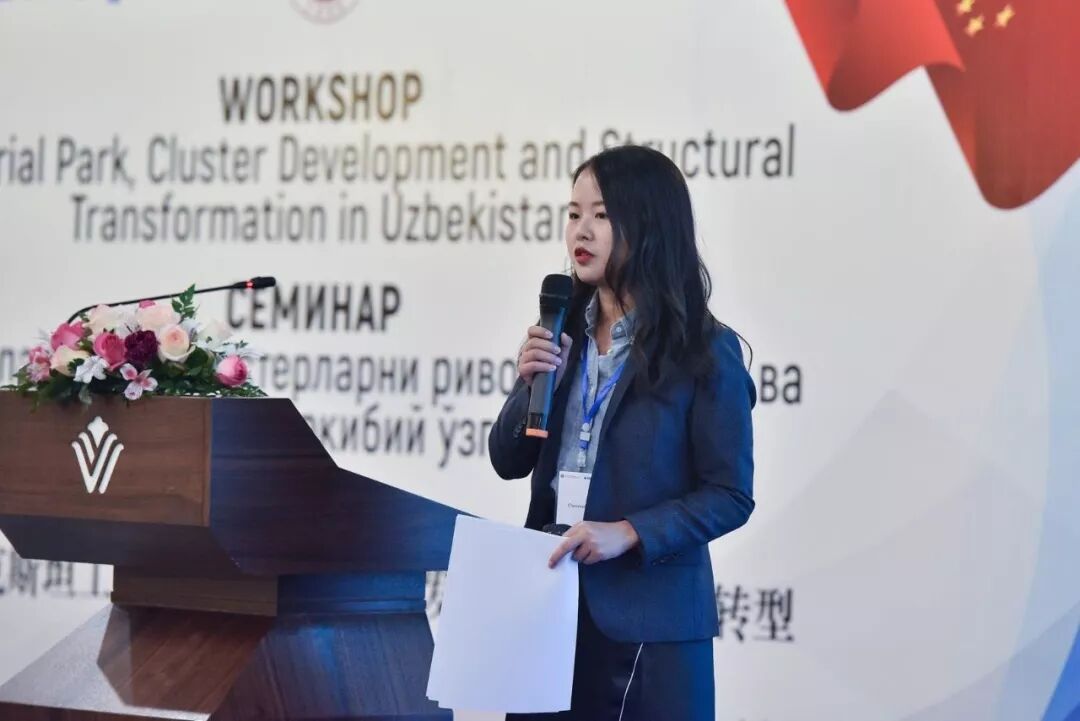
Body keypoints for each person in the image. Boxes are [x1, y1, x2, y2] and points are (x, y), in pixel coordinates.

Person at [488, 145, 756, 721]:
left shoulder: (704, 350)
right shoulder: (561, 333)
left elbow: (730, 494)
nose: (580, 231)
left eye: (602, 215)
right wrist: (529, 384)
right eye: (573, 213)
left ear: (650, 224)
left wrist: (629, 532)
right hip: (550, 609)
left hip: (651, 629)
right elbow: (507, 460)